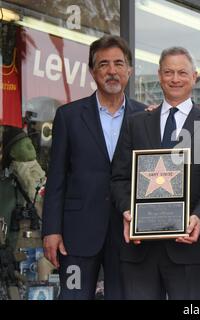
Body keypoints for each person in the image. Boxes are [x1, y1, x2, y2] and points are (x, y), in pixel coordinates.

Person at [111, 46, 200, 300]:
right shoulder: (136, 123)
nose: (175, 79)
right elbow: (120, 177)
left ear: (194, 76)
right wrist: (126, 210)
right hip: (140, 250)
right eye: (168, 72)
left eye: (181, 72)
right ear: (159, 75)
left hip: (191, 249)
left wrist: (199, 217)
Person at [42, 35, 146, 300]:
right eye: (103, 64)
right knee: (74, 295)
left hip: (128, 235)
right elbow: (56, 178)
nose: (112, 71)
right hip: (77, 235)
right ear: (92, 72)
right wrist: (51, 230)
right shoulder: (68, 116)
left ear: (129, 70)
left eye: (119, 64)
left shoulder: (146, 117)